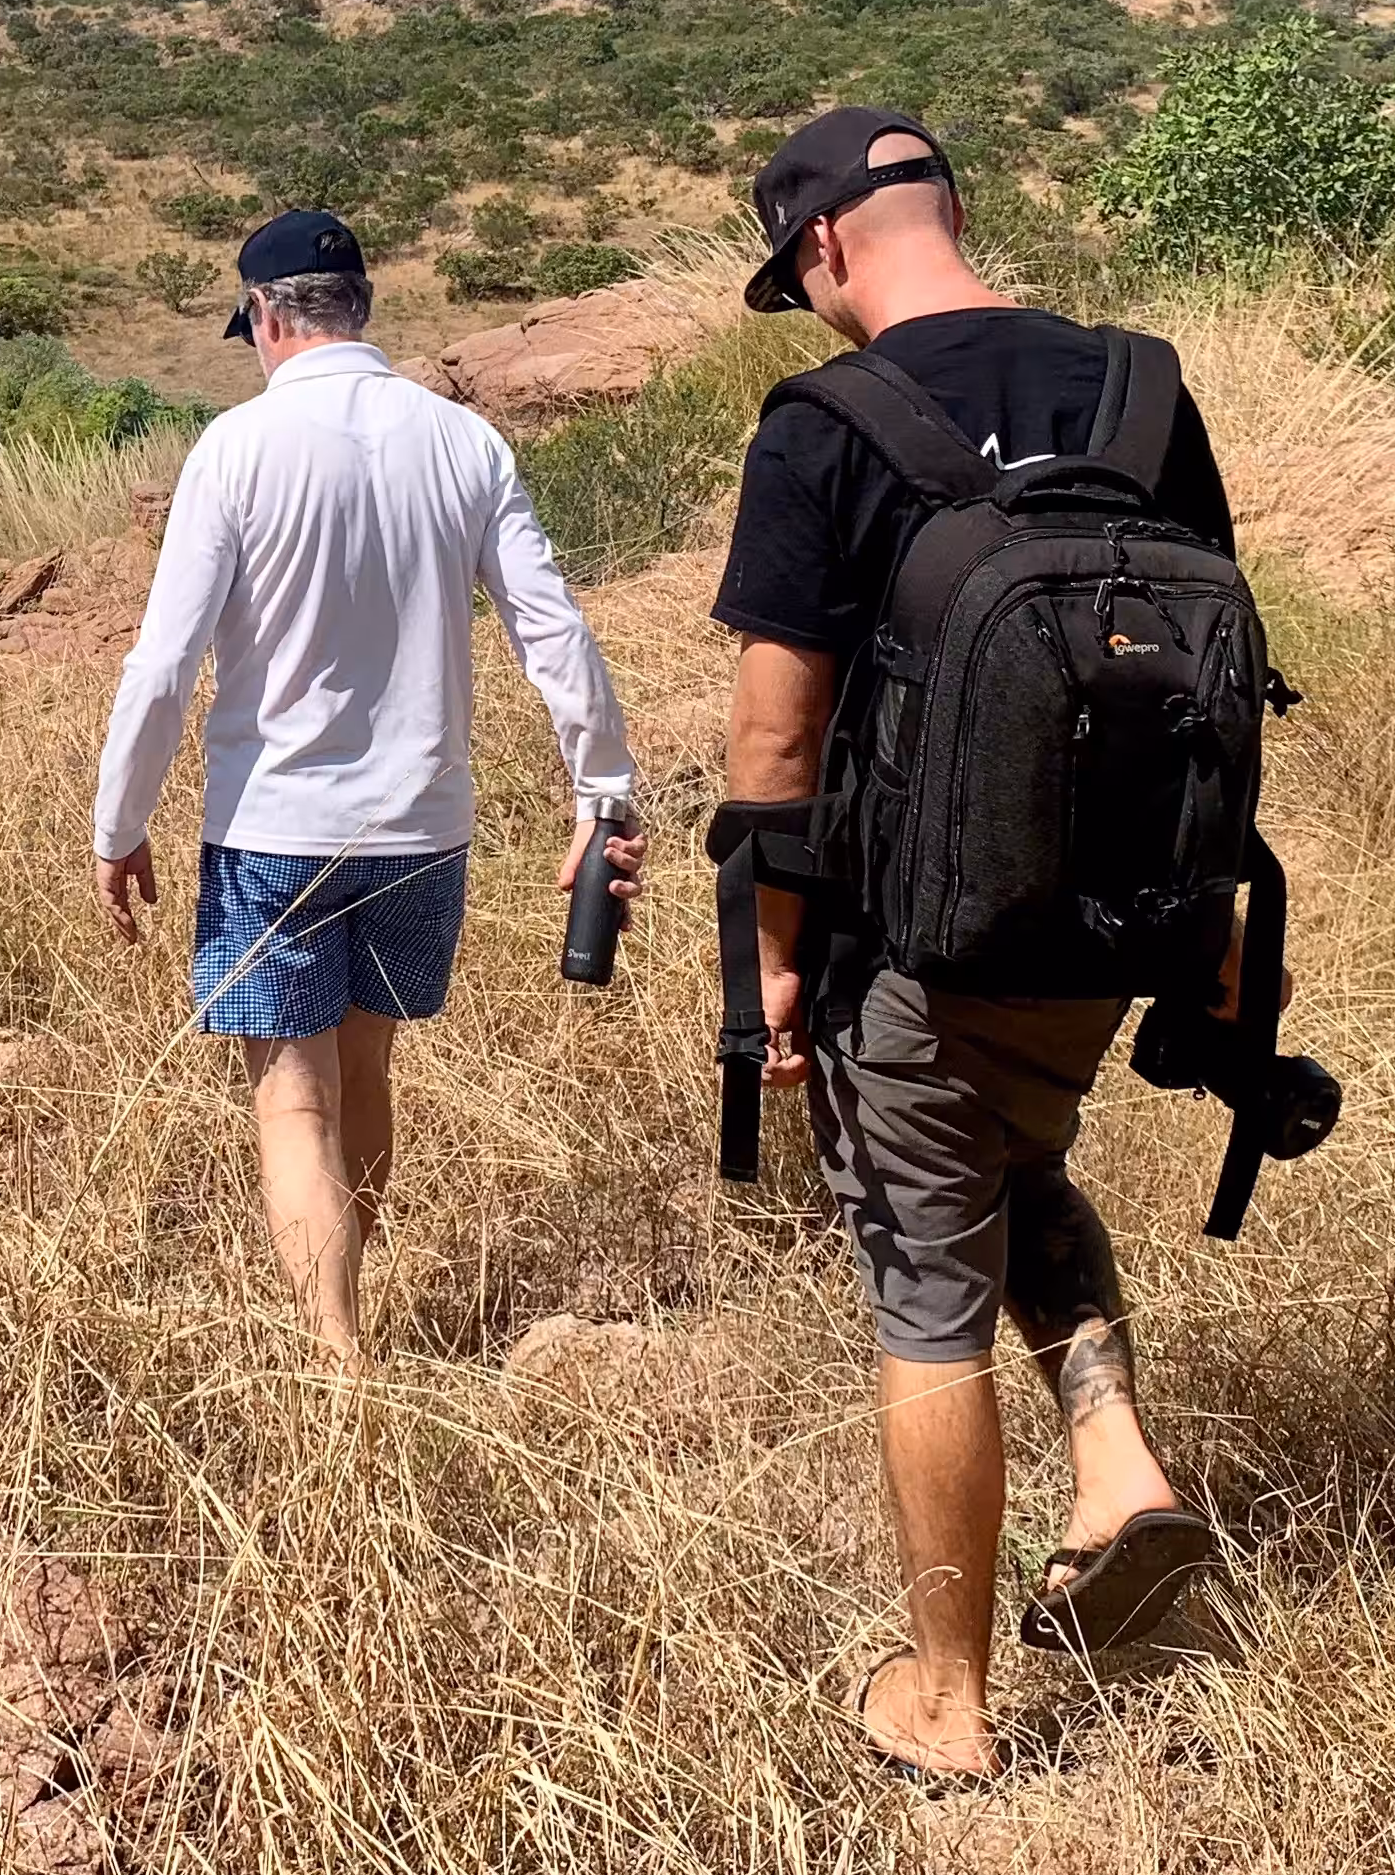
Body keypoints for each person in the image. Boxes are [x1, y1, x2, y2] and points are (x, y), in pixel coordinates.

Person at [711, 108, 1248, 1782]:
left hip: (916, 935)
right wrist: (1215, 935)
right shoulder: (1137, 387)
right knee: (1016, 1163)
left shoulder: (822, 423)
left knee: (922, 1275)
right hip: (1113, 923)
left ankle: (943, 1694)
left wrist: (768, 955)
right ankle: (1117, 1467)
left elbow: (775, 735)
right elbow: (1212, 690)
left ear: (822, 249)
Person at [93, 209, 644, 1370]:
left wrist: (120, 822)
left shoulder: (233, 449)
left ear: (265, 316)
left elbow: (162, 665)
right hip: (422, 829)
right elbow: (552, 630)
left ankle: (335, 1350)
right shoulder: (464, 444)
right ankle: (355, 1306)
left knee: (292, 1101)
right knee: (365, 1071)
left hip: (273, 833)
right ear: (360, 309)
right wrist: (603, 792)